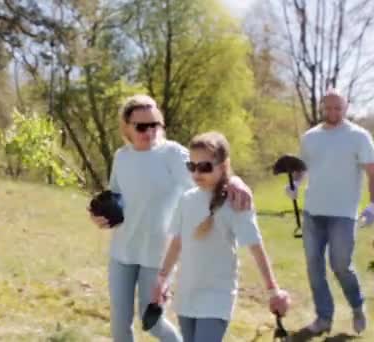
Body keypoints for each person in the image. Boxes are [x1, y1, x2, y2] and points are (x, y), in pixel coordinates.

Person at [88, 95, 253, 342]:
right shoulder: (121, 157)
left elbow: (213, 172)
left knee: (152, 322)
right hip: (122, 252)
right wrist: (98, 214)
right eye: (141, 126)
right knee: (119, 327)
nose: (149, 131)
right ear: (127, 127)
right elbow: (116, 195)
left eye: (154, 124)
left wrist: (237, 182)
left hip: (157, 256)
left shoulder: (174, 154)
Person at [151, 131, 291, 342]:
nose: (197, 172)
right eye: (192, 166)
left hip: (217, 296)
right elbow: (177, 243)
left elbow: (255, 245)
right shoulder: (186, 200)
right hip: (187, 293)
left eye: (205, 167)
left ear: (223, 165)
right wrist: (161, 279)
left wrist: (273, 290)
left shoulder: (237, 202)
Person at [287, 88, 374, 335]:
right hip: (313, 213)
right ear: (322, 108)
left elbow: (372, 171)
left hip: (343, 214)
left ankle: (357, 306)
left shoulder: (359, 136)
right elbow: (301, 168)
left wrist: (372, 205)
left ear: (345, 108)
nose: (333, 112)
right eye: (329, 107)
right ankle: (323, 318)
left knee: (341, 264)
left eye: (338, 108)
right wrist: (293, 184)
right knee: (314, 268)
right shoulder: (310, 137)